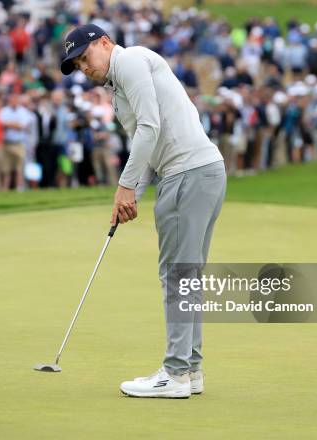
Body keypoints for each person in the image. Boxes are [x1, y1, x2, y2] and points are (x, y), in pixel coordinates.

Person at [61, 24, 226, 398]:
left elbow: (149, 129)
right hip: (198, 172)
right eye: (77, 65)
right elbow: (148, 144)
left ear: (105, 43)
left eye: (85, 57)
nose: (84, 68)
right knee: (187, 276)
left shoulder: (131, 59)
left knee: (177, 277)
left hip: (188, 173)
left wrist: (124, 186)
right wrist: (132, 191)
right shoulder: (119, 90)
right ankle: (191, 369)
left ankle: (176, 374)